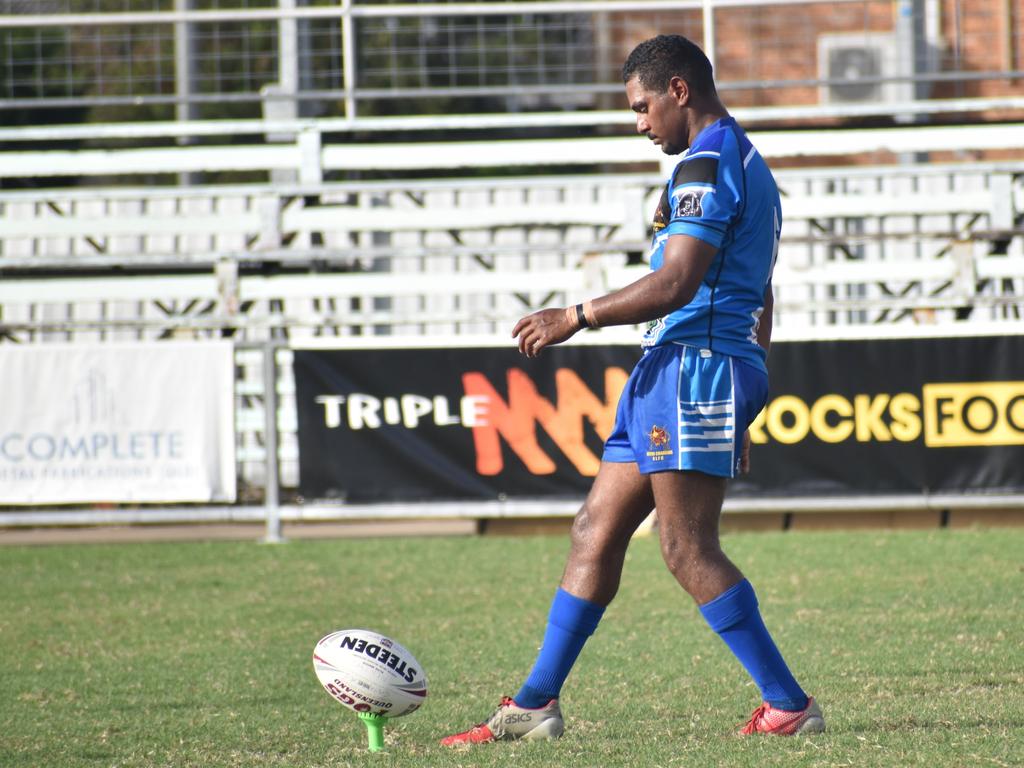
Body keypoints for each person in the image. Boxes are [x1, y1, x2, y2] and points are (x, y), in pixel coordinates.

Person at [440, 34, 824, 746]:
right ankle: (534, 706)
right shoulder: (742, 160)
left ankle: (788, 704)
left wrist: (575, 316)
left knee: (684, 547)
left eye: (643, 107)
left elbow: (676, 282)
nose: (639, 122)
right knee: (595, 529)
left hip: (693, 366)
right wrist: (748, 390)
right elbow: (760, 290)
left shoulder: (707, 165)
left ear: (679, 90)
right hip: (681, 368)